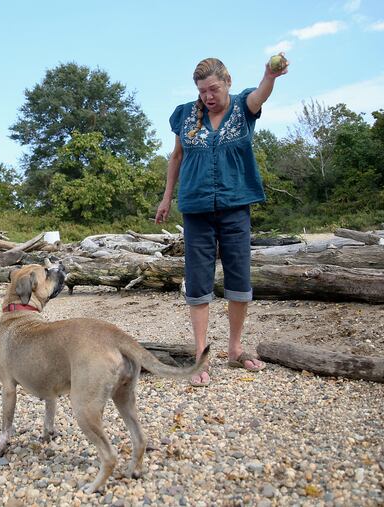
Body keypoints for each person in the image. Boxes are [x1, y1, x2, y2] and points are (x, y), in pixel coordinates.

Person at [155, 55, 288, 386]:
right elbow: (177, 156)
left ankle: (234, 348)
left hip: (235, 205)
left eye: (213, 89)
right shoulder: (186, 115)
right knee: (198, 280)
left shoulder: (243, 108)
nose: (208, 97)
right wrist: (167, 196)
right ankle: (201, 355)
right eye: (202, 91)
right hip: (196, 208)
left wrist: (269, 75)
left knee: (239, 279)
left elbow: (261, 94)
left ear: (227, 81)